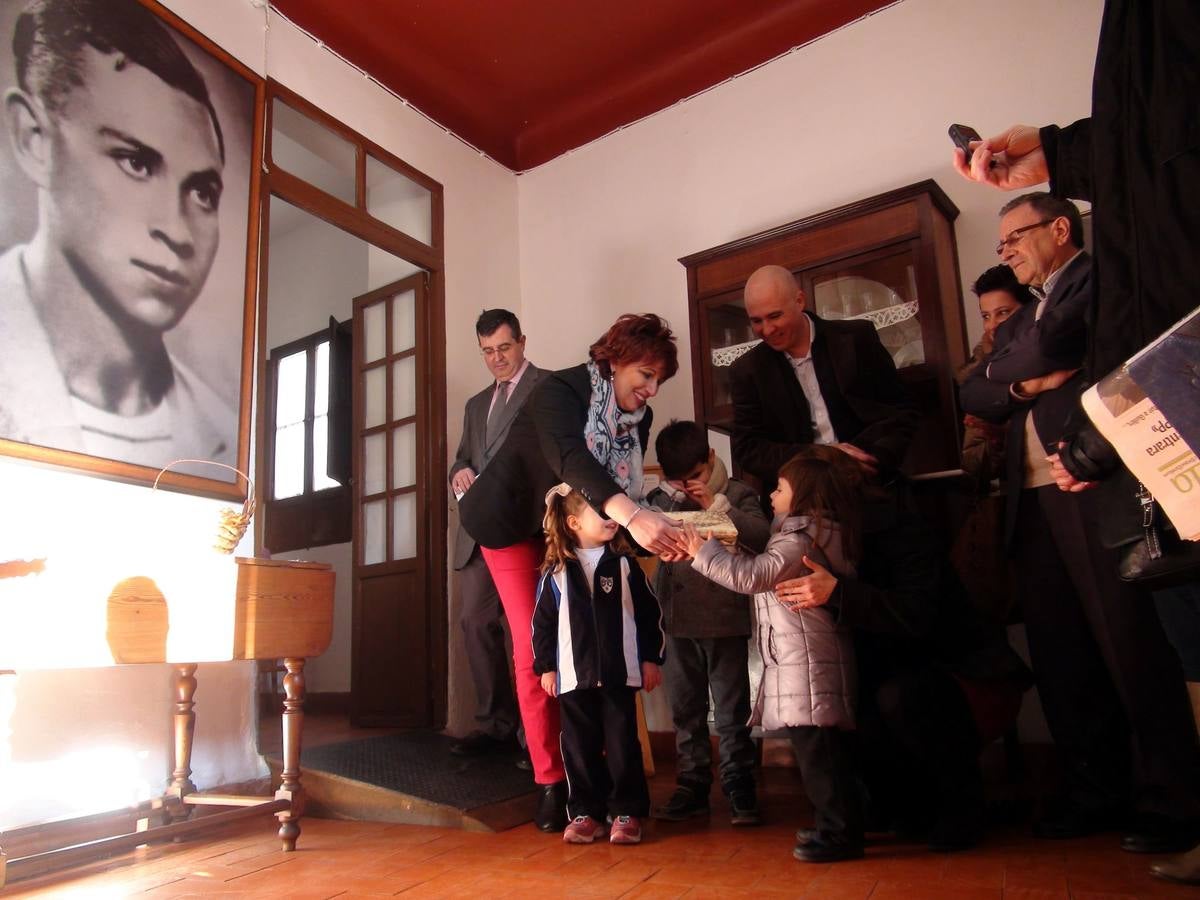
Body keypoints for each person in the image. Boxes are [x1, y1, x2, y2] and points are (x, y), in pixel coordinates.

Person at [953, 4, 1200, 880]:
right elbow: (974, 384)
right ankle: (1094, 787)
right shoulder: (1025, 314)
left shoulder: (1092, 279)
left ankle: (1171, 799)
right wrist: (1019, 374)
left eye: (1015, 236)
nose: (1007, 254)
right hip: (1035, 500)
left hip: (1098, 480)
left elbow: (1056, 354)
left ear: (1062, 230)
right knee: (1062, 653)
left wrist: (1017, 369)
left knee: (1135, 642)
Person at [459, 313, 686, 832]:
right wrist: (632, 515)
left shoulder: (636, 418)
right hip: (512, 523)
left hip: (579, 522)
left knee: (596, 636)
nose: (651, 390)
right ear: (616, 359)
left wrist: (662, 526)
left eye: (658, 381)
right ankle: (550, 781)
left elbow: (621, 484)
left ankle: (599, 781)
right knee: (534, 645)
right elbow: (573, 459)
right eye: (646, 374)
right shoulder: (559, 390)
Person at [0, 0, 235, 468]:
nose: (176, 230)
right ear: (35, 140)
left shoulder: (222, 430)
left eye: (202, 193)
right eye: (137, 162)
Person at [774, 444, 1033, 853]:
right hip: (900, 674)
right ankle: (900, 809)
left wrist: (840, 592)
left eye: (781, 488)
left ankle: (962, 810)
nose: (773, 498)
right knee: (834, 696)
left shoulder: (900, 531)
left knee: (897, 697)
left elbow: (916, 618)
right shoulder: (823, 539)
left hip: (963, 677)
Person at [683, 450, 863, 863]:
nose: (771, 494)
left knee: (820, 759)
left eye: (780, 488)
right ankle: (835, 826)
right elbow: (764, 567)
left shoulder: (801, 538)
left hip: (808, 665)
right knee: (824, 756)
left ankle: (840, 835)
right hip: (808, 662)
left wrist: (700, 552)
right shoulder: (809, 533)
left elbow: (753, 577)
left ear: (803, 496)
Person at [645, 420, 769, 826]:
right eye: (680, 481)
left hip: (724, 619)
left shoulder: (738, 493)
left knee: (732, 711)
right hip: (677, 622)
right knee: (685, 708)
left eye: (695, 476)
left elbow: (760, 536)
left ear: (711, 459)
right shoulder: (666, 499)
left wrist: (716, 503)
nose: (689, 486)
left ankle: (739, 782)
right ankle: (692, 782)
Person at [532, 483, 665, 845]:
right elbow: (541, 625)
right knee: (578, 746)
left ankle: (627, 810)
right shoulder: (555, 573)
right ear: (574, 522)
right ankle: (586, 813)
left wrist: (652, 658)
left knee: (623, 744)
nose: (611, 517)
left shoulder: (624, 566)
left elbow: (650, 613)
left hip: (620, 675)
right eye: (601, 511)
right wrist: (546, 666)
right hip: (573, 678)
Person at [729, 264, 918, 494]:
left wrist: (871, 460)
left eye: (775, 316)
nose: (767, 330)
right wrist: (820, 457)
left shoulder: (856, 339)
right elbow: (749, 449)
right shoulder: (748, 370)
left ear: (799, 301)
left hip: (872, 489)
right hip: (797, 500)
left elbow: (899, 412)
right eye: (756, 321)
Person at [448, 309, 543, 758]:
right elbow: (461, 458)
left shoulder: (546, 389)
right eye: (487, 351)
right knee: (474, 621)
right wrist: (459, 473)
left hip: (525, 528)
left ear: (522, 342)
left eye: (504, 348)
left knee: (530, 632)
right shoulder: (473, 405)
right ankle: (495, 724)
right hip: (477, 533)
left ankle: (536, 731)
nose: (497, 359)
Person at [955, 265, 1035, 486]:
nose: (992, 325)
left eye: (1003, 313)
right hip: (1018, 491)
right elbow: (975, 468)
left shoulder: (1051, 350)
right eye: (985, 316)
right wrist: (993, 433)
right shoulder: (978, 379)